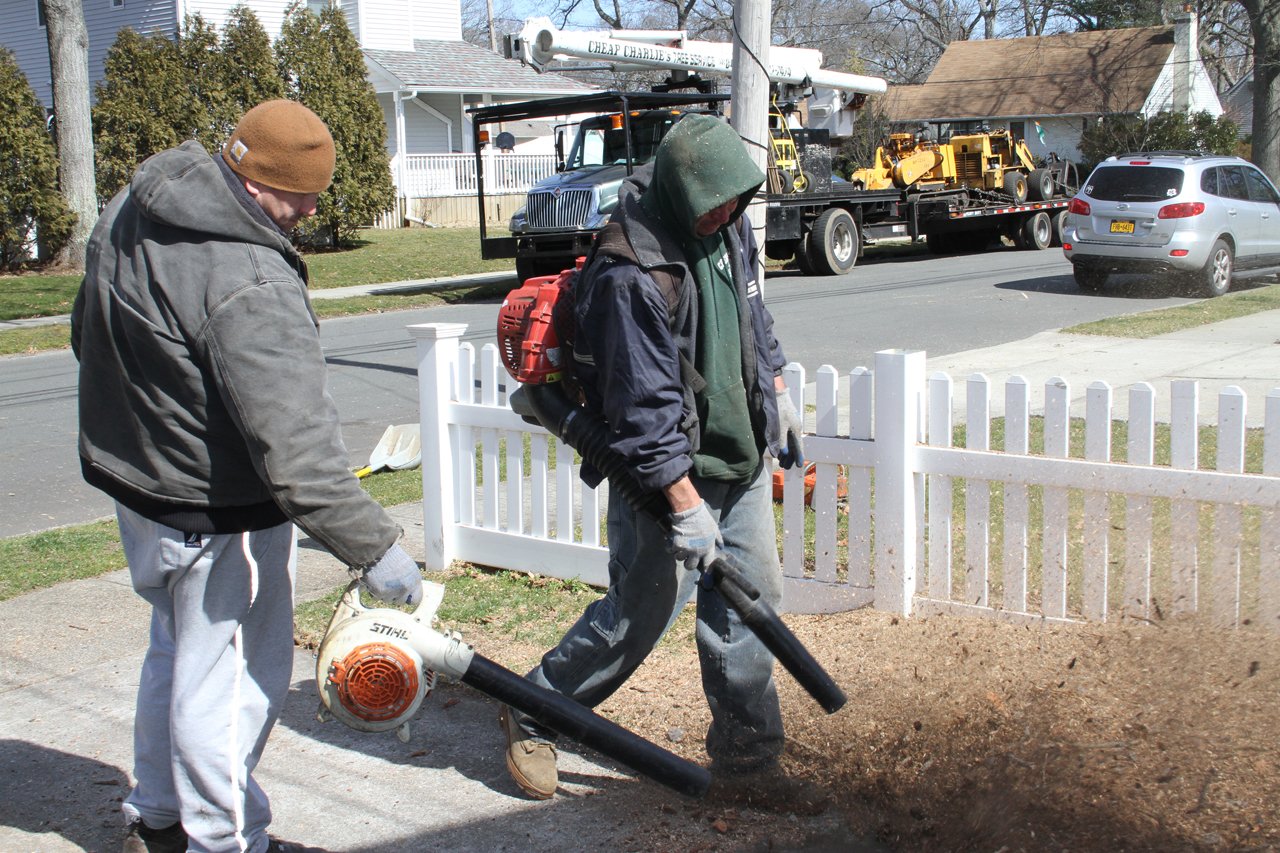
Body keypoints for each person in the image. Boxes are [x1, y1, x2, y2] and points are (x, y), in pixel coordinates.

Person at [71, 100, 423, 853]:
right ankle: (226, 839)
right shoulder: (249, 279)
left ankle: (157, 814)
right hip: (214, 505)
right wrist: (375, 547)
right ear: (252, 174)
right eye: (298, 194)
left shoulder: (134, 205)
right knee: (228, 677)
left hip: (140, 486)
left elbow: (84, 333)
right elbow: (299, 453)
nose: (308, 210)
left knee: (177, 648)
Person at [499, 114, 817, 809]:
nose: (728, 216)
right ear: (681, 192)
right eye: (715, 206)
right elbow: (644, 412)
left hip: (740, 459)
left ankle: (748, 760)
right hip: (666, 473)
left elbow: (753, 310)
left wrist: (780, 384)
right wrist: (684, 505)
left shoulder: (726, 213)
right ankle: (533, 709)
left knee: (750, 606)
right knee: (638, 615)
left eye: (736, 202)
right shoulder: (629, 270)